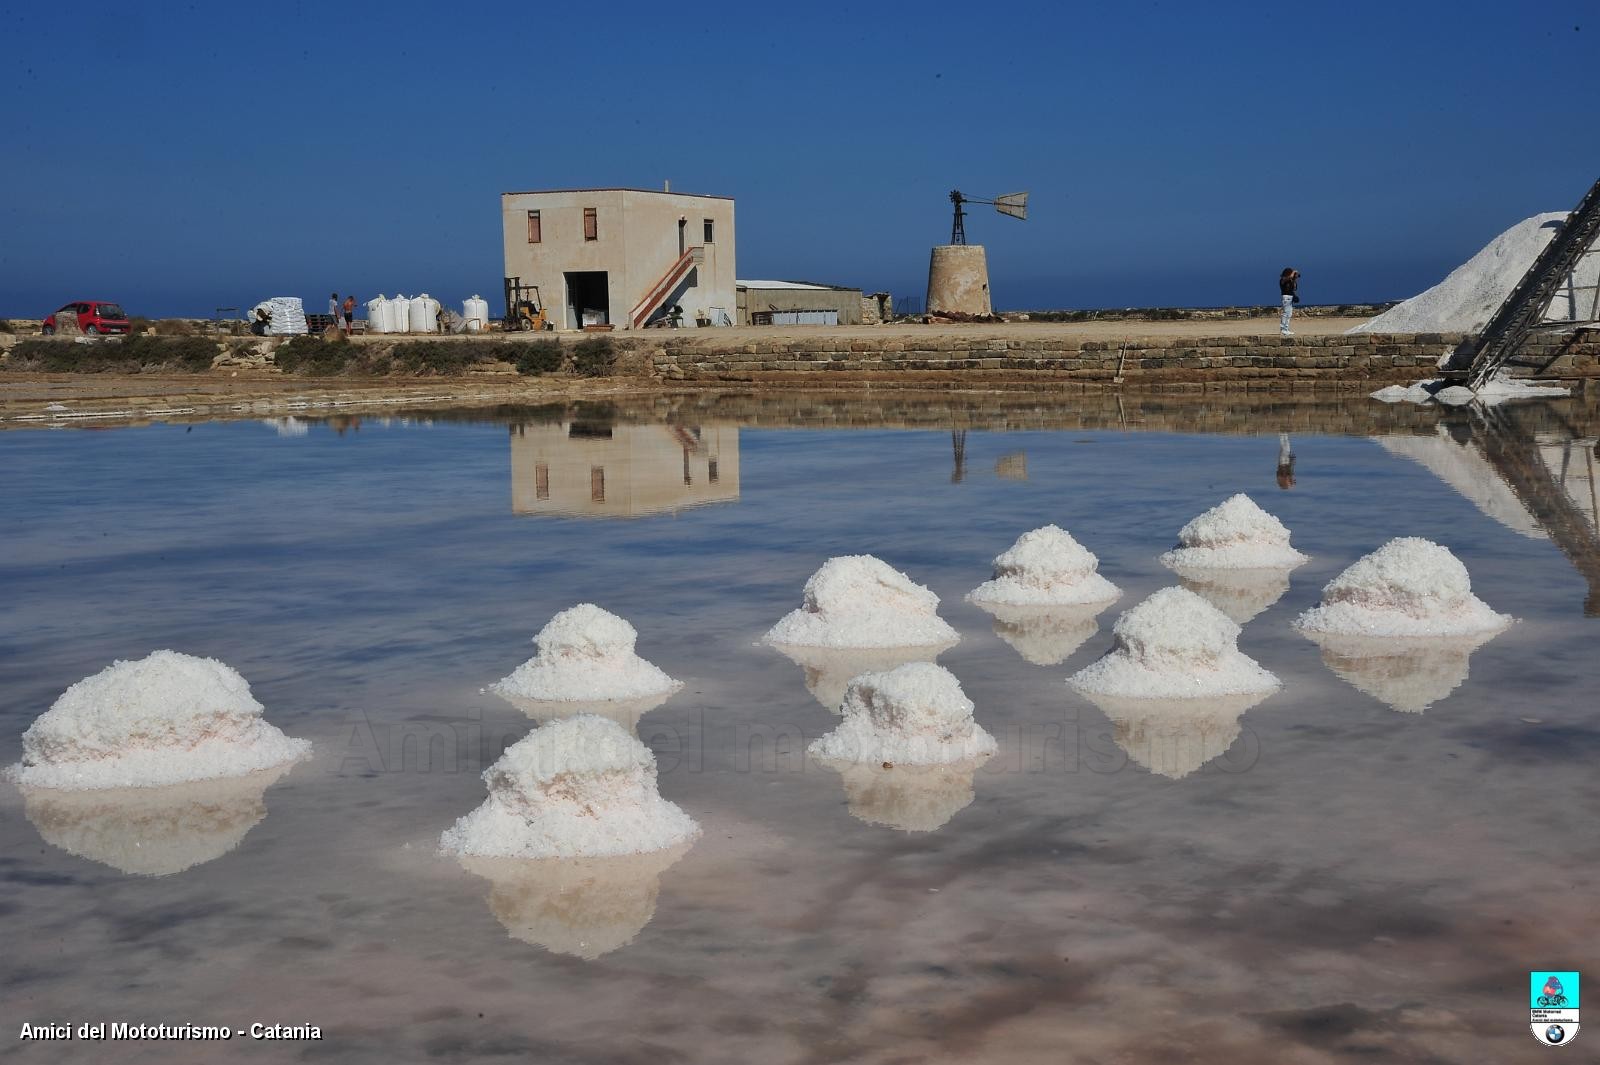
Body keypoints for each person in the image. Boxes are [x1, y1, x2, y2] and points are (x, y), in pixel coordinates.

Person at [1278, 268, 1300, 336]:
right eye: (1291, 273)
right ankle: (1283, 329)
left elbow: (1293, 288)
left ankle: (1286, 329)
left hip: (1290, 297)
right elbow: (1288, 278)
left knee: (1289, 314)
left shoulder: (1290, 280)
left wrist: (1295, 277)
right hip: (1286, 297)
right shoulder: (1283, 280)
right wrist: (1293, 272)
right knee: (1286, 313)